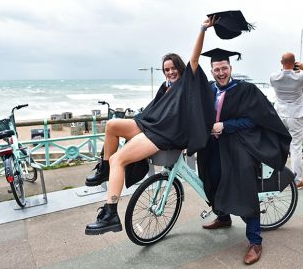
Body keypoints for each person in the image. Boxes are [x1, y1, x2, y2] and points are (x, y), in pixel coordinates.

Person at [84, 33, 216, 235]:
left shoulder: (187, 82)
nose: (170, 72)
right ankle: (103, 168)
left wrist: (203, 30)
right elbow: (153, 110)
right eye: (166, 70)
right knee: (111, 125)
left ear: (181, 68)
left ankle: (111, 213)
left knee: (118, 160)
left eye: (173, 68)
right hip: (150, 125)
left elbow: (195, 58)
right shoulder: (166, 87)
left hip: (164, 134)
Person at [196, 15, 292, 265]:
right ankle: (224, 217)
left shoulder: (246, 91)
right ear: (212, 70)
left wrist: (225, 125)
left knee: (244, 186)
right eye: (216, 69)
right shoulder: (207, 89)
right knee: (212, 180)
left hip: (239, 144)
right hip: (213, 147)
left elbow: (257, 119)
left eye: (224, 68)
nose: (220, 72)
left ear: (231, 68)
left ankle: (255, 241)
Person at [270, 53, 303, 189]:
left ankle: (274, 176)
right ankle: (296, 180)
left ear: (281, 62)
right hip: (295, 116)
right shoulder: (300, 77)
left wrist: (287, 68)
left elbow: (283, 74)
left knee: (278, 146)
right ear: (295, 62)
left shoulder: (273, 77)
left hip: (280, 115)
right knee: (295, 148)